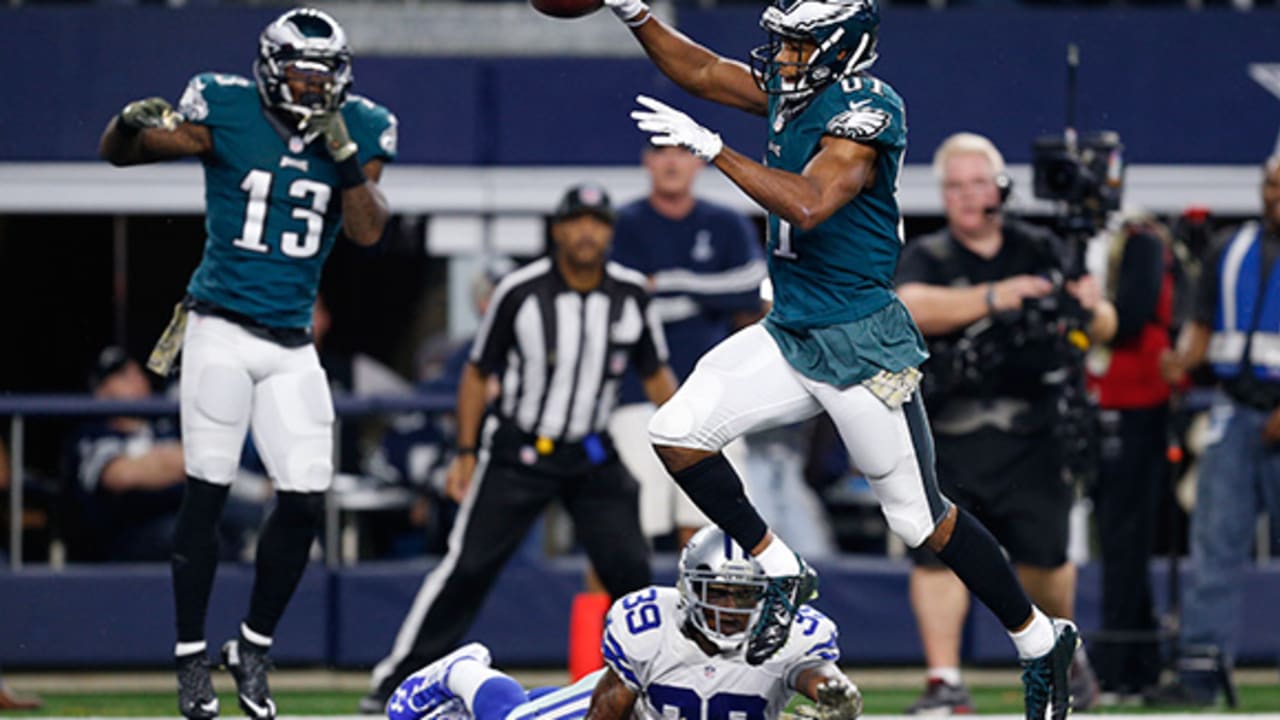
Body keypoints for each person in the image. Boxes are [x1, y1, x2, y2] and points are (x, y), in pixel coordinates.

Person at [594, 1, 1079, 713]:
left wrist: (716, 152)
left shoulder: (870, 111)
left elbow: (813, 202)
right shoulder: (795, 96)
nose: (781, 60)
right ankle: (778, 563)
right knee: (676, 433)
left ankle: (1039, 639)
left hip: (857, 341)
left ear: (843, 49)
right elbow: (698, 69)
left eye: (796, 47)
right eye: (781, 45)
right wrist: (633, 12)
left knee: (921, 519)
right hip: (791, 328)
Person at [98, 8, 396, 719]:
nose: (310, 83)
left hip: (292, 341)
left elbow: (366, 229)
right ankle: (190, 661)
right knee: (208, 488)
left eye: (323, 73)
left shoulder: (363, 124)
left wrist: (345, 153)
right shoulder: (226, 107)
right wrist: (125, 123)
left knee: (303, 494)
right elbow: (122, 153)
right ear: (269, 67)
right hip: (220, 330)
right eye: (298, 69)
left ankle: (252, 648)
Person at [361, 183, 679, 712]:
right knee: (468, 567)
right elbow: (476, 373)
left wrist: (685, 439)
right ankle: (397, 679)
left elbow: (656, 375)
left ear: (609, 232)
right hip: (520, 450)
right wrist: (465, 453)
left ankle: (651, 686)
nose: (586, 231)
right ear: (557, 229)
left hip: (592, 453)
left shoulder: (630, 295)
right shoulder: (522, 290)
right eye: (576, 220)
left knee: (631, 574)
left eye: (597, 222)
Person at [894, 132, 1114, 715]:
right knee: (933, 551)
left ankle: (1063, 654)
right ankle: (944, 679)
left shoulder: (1043, 247)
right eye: (955, 186)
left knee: (1044, 556)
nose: (968, 197)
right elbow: (910, 306)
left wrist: (1086, 306)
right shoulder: (928, 254)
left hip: (1031, 432)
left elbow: (1104, 325)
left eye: (977, 183)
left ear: (1001, 187)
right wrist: (1000, 297)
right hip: (950, 431)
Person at [383, 525, 862, 720]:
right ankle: (462, 671)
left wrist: (837, 695)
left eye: (744, 595)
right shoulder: (652, 626)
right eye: (720, 591)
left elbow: (814, 675)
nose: (732, 607)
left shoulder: (790, 632)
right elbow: (607, 713)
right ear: (690, 589)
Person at [1149, 155, 1280, 707]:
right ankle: (1201, 665)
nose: (1274, 195)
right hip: (1234, 407)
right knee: (1213, 540)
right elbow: (1204, 323)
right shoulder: (1232, 248)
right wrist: (1182, 361)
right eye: (1270, 184)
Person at [608, 145, 766, 548]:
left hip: (710, 396)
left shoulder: (725, 222)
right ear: (646, 161)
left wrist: (672, 284)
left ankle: (694, 613)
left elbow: (752, 287)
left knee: (708, 527)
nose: (672, 162)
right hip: (634, 394)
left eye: (682, 152)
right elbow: (622, 302)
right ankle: (622, 613)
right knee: (627, 526)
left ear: (698, 160)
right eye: (660, 153)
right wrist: (709, 294)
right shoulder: (622, 224)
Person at [1083, 215, 1179, 701]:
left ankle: (1121, 657)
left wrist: (1083, 318)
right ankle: (1139, 656)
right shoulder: (1091, 242)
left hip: (1137, 402)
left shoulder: (1140, 242)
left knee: (1126, 534)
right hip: (1104, 400)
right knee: (1117, 535)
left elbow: (1135, 315)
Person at [69, 346, 263, 563]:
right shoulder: (95, 436)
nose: (136, 381)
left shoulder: (164, 425)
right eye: (123, 376)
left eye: (136, 373)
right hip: (133, 532)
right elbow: (121, 476)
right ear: (101, 392)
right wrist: (175, 462)